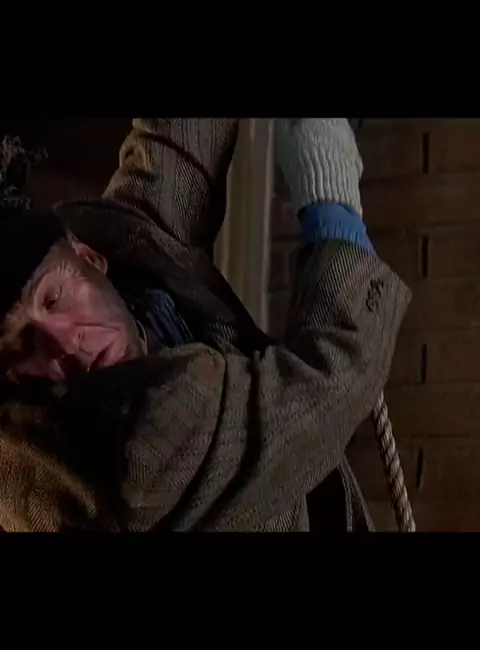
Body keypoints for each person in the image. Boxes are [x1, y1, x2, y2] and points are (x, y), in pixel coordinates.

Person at [0, 119, 411, 532]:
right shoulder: (125, 449)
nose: (64, 344)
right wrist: (332, 205)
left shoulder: (124, 247)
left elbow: (177, 147)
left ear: (90, 258)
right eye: (22, 345)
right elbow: (328, 375)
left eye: (54, 298)